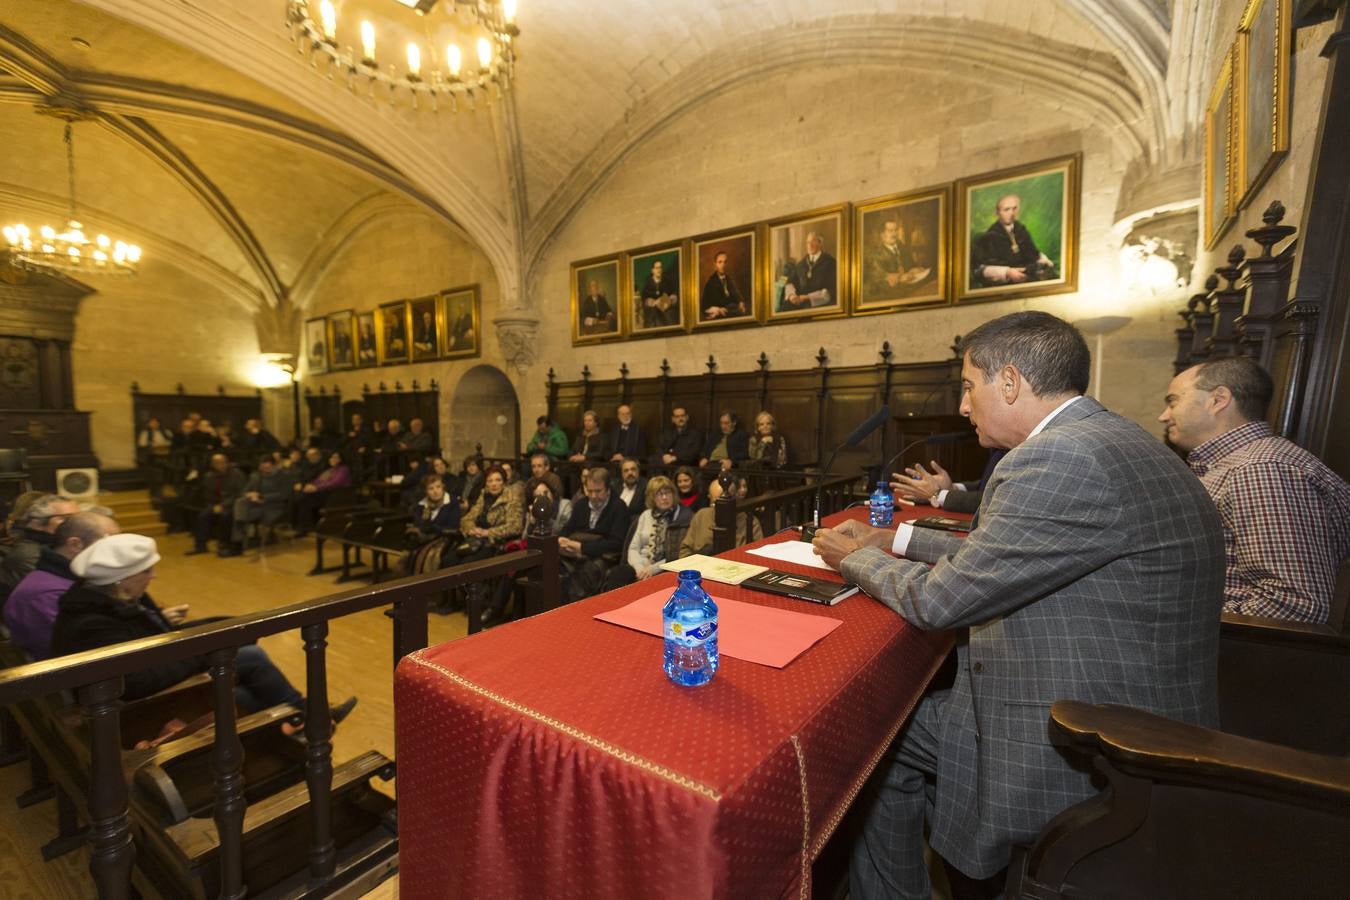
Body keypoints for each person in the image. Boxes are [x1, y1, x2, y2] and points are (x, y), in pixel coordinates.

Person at [809, 311, 1225, 898]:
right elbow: (1006, 547)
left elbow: (941, 600)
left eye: (967, 386)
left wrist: (851, 557)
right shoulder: (1099, 436)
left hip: (1094, 727)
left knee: (874, 740)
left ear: (1009, 382)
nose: (962, 405)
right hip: (1130, 691)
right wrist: (892, 538)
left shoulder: (1060, 458)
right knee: (902, 719)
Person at [51, 534, 355, 725]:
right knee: (249, 672)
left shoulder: (113, 597)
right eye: (146, 571)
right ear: (120, 578)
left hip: (148, 687)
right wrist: (210, 649)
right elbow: (138, 682)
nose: (153, 576)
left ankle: (306, 722)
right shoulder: (92, 624)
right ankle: (309, 722)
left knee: (249, 677)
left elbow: (159, 639)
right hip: (129, 710)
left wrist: (224, 625)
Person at [1159, 356, 1350, 624]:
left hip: (1239, 653)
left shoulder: (1261, 469)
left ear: (1218, 400)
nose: (1164, 416)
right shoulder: (1237, 464)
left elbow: (1293, 606)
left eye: (1173, 401)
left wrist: (1171, 615)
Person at [5, 511, 119, 660]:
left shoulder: (78, 578)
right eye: (111, 543)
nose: (120, 551)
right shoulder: (45, 594)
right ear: (75, 544)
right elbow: (78, 654)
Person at [605, 476, 693, 589]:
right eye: (659, 494)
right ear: (652, 497)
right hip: (639, 566)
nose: (664, 497)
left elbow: (676, 554)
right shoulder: (646, 515)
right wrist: (639, 568)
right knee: (618, 574)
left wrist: (653, 569)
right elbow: (633, 548)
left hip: (664, 568)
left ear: (674, 494)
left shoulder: (682, 517)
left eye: (668, 493)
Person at [557, 468, 630, 603]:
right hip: (575, 552)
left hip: (604, 557)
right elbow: (567, 529)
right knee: (552, 565)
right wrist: (561, 539)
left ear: (608, 490)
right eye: (590, 491)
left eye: (598, 491)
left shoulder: (618, 507)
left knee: (585, 572)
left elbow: (616, 543)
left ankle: (574, 612)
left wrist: (582, 548)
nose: (593, 496)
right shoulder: (581, 504)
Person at [445, 466, 524, 568]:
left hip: (494, 543)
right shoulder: (484, 495)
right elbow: (467, 518)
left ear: (503, 482)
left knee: (466, 564)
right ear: (486, 483)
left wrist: (487, 532)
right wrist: (471, 529)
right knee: (448, 560)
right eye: (490, 481)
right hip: (475, 539)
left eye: (498, 480)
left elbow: (515, 526)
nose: (494, 484)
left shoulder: (512, 497)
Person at [971, 194, 1054, 287]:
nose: (1011, 213)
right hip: (1004, 286)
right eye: (1006, 209)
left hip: (1028, 278)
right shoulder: (988, 237)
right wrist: (1007, 272)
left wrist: (1044, 259)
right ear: (997, 213)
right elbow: (980, 270)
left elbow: (1034, 253)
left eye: (1014, 209)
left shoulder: (1021, 230)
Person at [1, 494, 79, 593]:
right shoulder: (30, 554)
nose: (77, 523)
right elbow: (67, 593)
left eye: (79, 517)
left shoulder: (60, 545)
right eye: (66, 518)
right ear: (37, 524)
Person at [892, 449, 1008, 515]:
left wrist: (937, 494)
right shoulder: (999, 449)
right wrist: (952, 488)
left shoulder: (1016, 453)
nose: (963, 410)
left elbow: (996, 499)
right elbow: (987, 485)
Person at [224, 456, 296, 555]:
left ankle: (237, 544)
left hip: (274, 507)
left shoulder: (284, 476)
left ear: (274, 465)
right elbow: (243, 491)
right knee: (240, 502)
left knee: (238, 513)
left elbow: (284, 495)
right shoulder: (255, 476)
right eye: (263, 466)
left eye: (268, 466)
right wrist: (250, 494)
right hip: (255, 505)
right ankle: (237, 539)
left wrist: (262, 496)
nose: (265, 469)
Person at [680, 473, 762, 556]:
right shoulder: (701, 515)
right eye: (715, 503)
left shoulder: (750, 521)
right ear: (709, 497)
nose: (720, 509)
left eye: (725, 504)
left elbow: (757, 554)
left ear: (736, 498)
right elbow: (685, 549)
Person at [187, 453, 246, 557]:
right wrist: (213, 506)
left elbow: (239, 494)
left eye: (222, 462)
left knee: (225, 516)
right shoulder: (209, 476)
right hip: (215, 504)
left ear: (226, 463)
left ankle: (224, 545)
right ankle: (200, 546)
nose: (220, 465)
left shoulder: (237, 474)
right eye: (216, 463)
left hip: (233, 504)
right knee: (202, 516)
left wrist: (223, 505)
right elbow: (208, 494)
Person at [864, 217, 930, 300]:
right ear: (882, 234)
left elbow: (911, 265)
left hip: (911, 291)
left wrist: (914, 269)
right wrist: (899, 277)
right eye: (890, 231)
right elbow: (879, 277)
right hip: (889, 297)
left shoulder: (902, 247)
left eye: (896, 230)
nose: (894, 234)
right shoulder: (875, 254)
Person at [296, 451, 352, 534]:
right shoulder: (330, 470)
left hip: (337, 496)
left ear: (341, 459)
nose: (333, 459)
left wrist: (316, 488)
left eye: (336, 457)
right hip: (326, 493)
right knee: (300, 496)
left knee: (305, 499)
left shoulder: (343, 469)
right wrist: (307, 486)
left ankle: (305, 528)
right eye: (331, 457)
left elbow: (334, 483)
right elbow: (318, 480)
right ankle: (302, 527)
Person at [782, 231, 838, 310]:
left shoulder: (830, 263)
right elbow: (791, 283)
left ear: (820, 243)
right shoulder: (800, 265)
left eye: (813, 241)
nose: (810, 245)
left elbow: (830, 291)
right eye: (808, 242)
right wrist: (791, 295)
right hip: (801, 304)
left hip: (821, 305)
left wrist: (807, 297)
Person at [407, 475, 461, 540]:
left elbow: (453, 528)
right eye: (431, 488)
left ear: (443, 487)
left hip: (446, 540)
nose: (435, 491)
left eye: (438, 487)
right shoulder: (422, 504)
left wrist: (431, 528)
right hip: (423, 540)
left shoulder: (452, 502)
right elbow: (418, 525)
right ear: (425, 491)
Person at [700, 251, 748, 320]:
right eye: (720, 262)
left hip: (730, 309)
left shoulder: (728, 279)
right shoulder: (711, 283)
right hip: (719, 312)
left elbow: (736, 293)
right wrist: (718, 309)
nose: (723, 265)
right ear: (715, 264)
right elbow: (705, 306)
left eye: (725, 262)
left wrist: (740, 302)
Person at [639, 260, 679, 328]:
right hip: (652, 315)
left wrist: (671, 298)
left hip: (666, 314)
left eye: (660, 268)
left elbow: (673, 294)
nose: (659, 270)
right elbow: (644, 299)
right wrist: (649, 302)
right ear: (652, 270)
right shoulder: (647, 284)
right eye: (657, 268)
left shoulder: (667, 281)